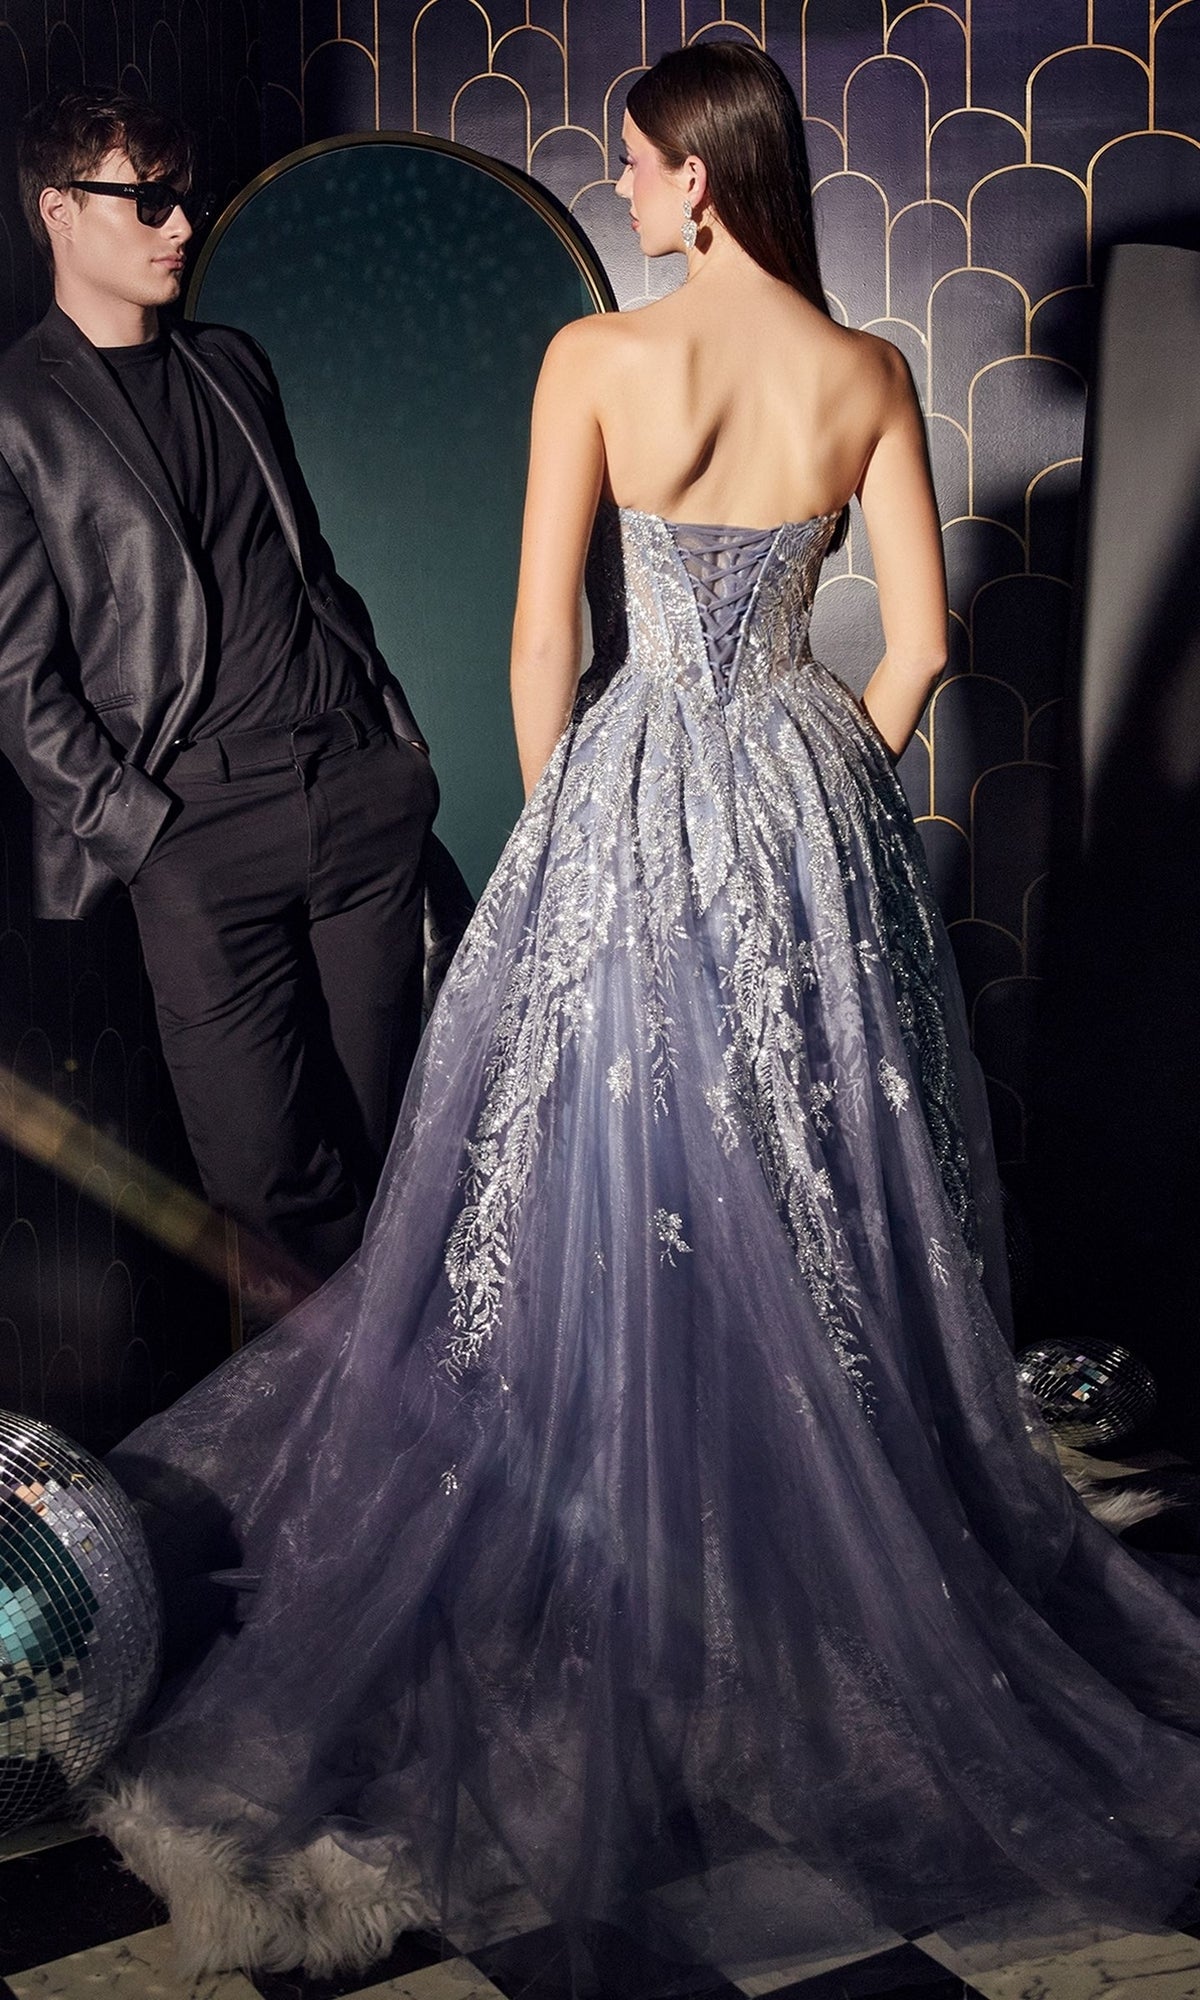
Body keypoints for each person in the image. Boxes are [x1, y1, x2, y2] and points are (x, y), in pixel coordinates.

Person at [94, 43, 1200, 1993]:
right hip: (798, 789)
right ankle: (807, 1611)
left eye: (635, 165)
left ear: (700, 178)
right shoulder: (864, 371)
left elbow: (550, 632)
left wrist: (580, 827)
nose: (623, 188)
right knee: (813, 1206)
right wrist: (814, 803)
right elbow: (926, 648)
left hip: (633, 794)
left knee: (613, 1197)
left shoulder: (598, 362)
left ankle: (631, 1593)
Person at [0, 89, 438, 1302]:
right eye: (147, 198)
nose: (181, 222)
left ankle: (426, 1458)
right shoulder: (17, 413)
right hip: (198, 831)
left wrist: (395, 749)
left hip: (354, 789)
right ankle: (358, 1452)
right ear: (59, 211)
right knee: (268, 1190)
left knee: (394, 1150)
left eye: (180, 195)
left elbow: (312, 573)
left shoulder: (233, 362)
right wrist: (150, 835)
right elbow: (19, 679)